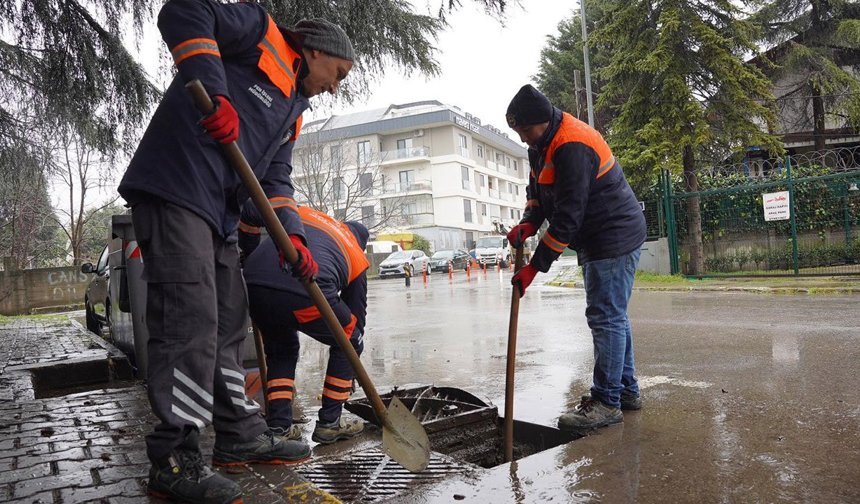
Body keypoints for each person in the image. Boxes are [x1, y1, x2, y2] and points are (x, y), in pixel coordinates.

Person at [117, 0, 355, 501]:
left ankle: (239, 435)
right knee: (190, 322)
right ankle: (174, 458)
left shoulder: (292, 110)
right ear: (315, 51)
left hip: (219, 212)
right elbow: (184, 12)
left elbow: (276, 181)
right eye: (338, 73)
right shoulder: (260, 32)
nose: (336, 86)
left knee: (229, 322)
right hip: (177, 189)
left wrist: (292, 236)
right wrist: (217, 94)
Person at [504, 84, 647, 434]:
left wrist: (535, 267)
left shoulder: (572, 143)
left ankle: (607, 402)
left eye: (525, 130)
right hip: (599, 234)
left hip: (613, 233)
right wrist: (529, 222)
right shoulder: (540, 144)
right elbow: (537, 191)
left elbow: (569, 216)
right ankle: (625, 391)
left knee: (605, 317)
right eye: (519, 132)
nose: (523, 138)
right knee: (613, 316)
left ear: (541, 120)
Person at [239, 205, 369, 445]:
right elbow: (355, 320)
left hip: (253, 285)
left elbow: (248, 212)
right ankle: (330, 423)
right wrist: (348, 366)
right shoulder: (355, 253)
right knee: (350, 339)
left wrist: (249, 253)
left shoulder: (305, 213)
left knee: (282, 351)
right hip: (303, 286)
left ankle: (279, 427)